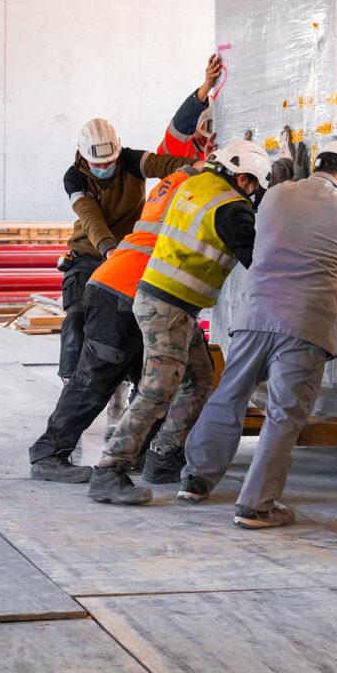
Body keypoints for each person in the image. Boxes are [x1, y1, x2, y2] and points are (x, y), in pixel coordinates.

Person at [176, 138, 337, 529]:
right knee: (283, 415)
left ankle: (196, 479)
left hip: (254, 314)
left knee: (230, 393)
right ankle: (257, 505)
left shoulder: (276, 195)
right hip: (305, 323)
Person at [86, 140, 271, 505]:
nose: (255, 196)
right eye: (257, 188)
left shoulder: (193, 185)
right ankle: (109, 469)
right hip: (168, 308)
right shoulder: (232, 209)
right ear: (247, 180)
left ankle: (162, 457)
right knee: (157, 389)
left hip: (164, 300)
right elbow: (260, 264)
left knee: (198, 380)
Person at [28, 156, 208, 482]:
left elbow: (170, 161)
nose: (105, 164)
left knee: (154, 381)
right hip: (123, 291)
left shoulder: (178, 185)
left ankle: (140, 455)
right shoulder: (209, 197)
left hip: (136, 289)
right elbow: (90, 216)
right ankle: (47, 454)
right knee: (96, 380)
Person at [57, 54, 221, 385]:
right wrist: (107, 250)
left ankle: (139, 383)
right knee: (76, 317)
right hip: (91, 254)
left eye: (111, 161)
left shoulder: (130, 161)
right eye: (98, 164)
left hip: (129, 254)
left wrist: (206, 167)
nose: (106, 167)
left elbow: (164, 164)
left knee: (140, 318)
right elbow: (91, 218)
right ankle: (72, 382)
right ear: (85, 158)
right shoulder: (75, 178)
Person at [157, 54, 220, 161]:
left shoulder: (219, 153)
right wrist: (207, 85)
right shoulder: (178, 149)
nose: (208, 138)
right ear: (193, 128)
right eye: (205, 131)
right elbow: (182, 122)